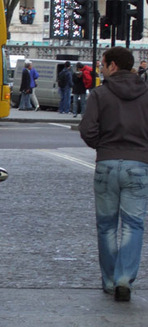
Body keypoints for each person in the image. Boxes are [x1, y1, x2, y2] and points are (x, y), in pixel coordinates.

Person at [79, 46, 148, 302]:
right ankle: (124, 279)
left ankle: (109, 280)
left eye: (102, 63)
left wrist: (102, 145)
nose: (100, 67)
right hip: (139, 164)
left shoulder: (100, 93)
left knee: (107, 225)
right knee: (133, 225)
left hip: (107, 162)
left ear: (113, 66)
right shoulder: (146, 93)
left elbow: (87, 129)